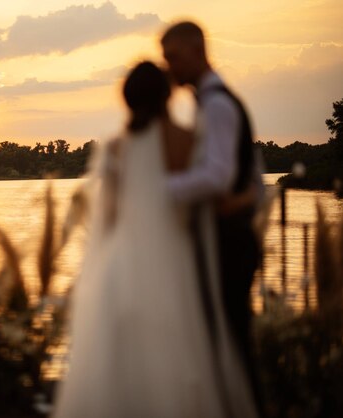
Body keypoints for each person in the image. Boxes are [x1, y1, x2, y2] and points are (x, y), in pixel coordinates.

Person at [53, 61, 250, 418]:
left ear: (127, 98)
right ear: (167, 94)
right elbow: (201, 202)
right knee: (178, 360)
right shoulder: (188, 140)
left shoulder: (115, 148)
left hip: (122, 266)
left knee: (118, 367)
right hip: (174, 266)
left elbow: (108, 217)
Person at [162, 21, 264, 415]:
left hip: (230, 246)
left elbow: (218, 175)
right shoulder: (214, 103)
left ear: (196, 51)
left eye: (173, 57)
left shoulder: (218, 105)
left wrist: (158, 189)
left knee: (234, 346)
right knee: (228, 344)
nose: (170, 67)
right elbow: (253, 177)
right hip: (224, 239)